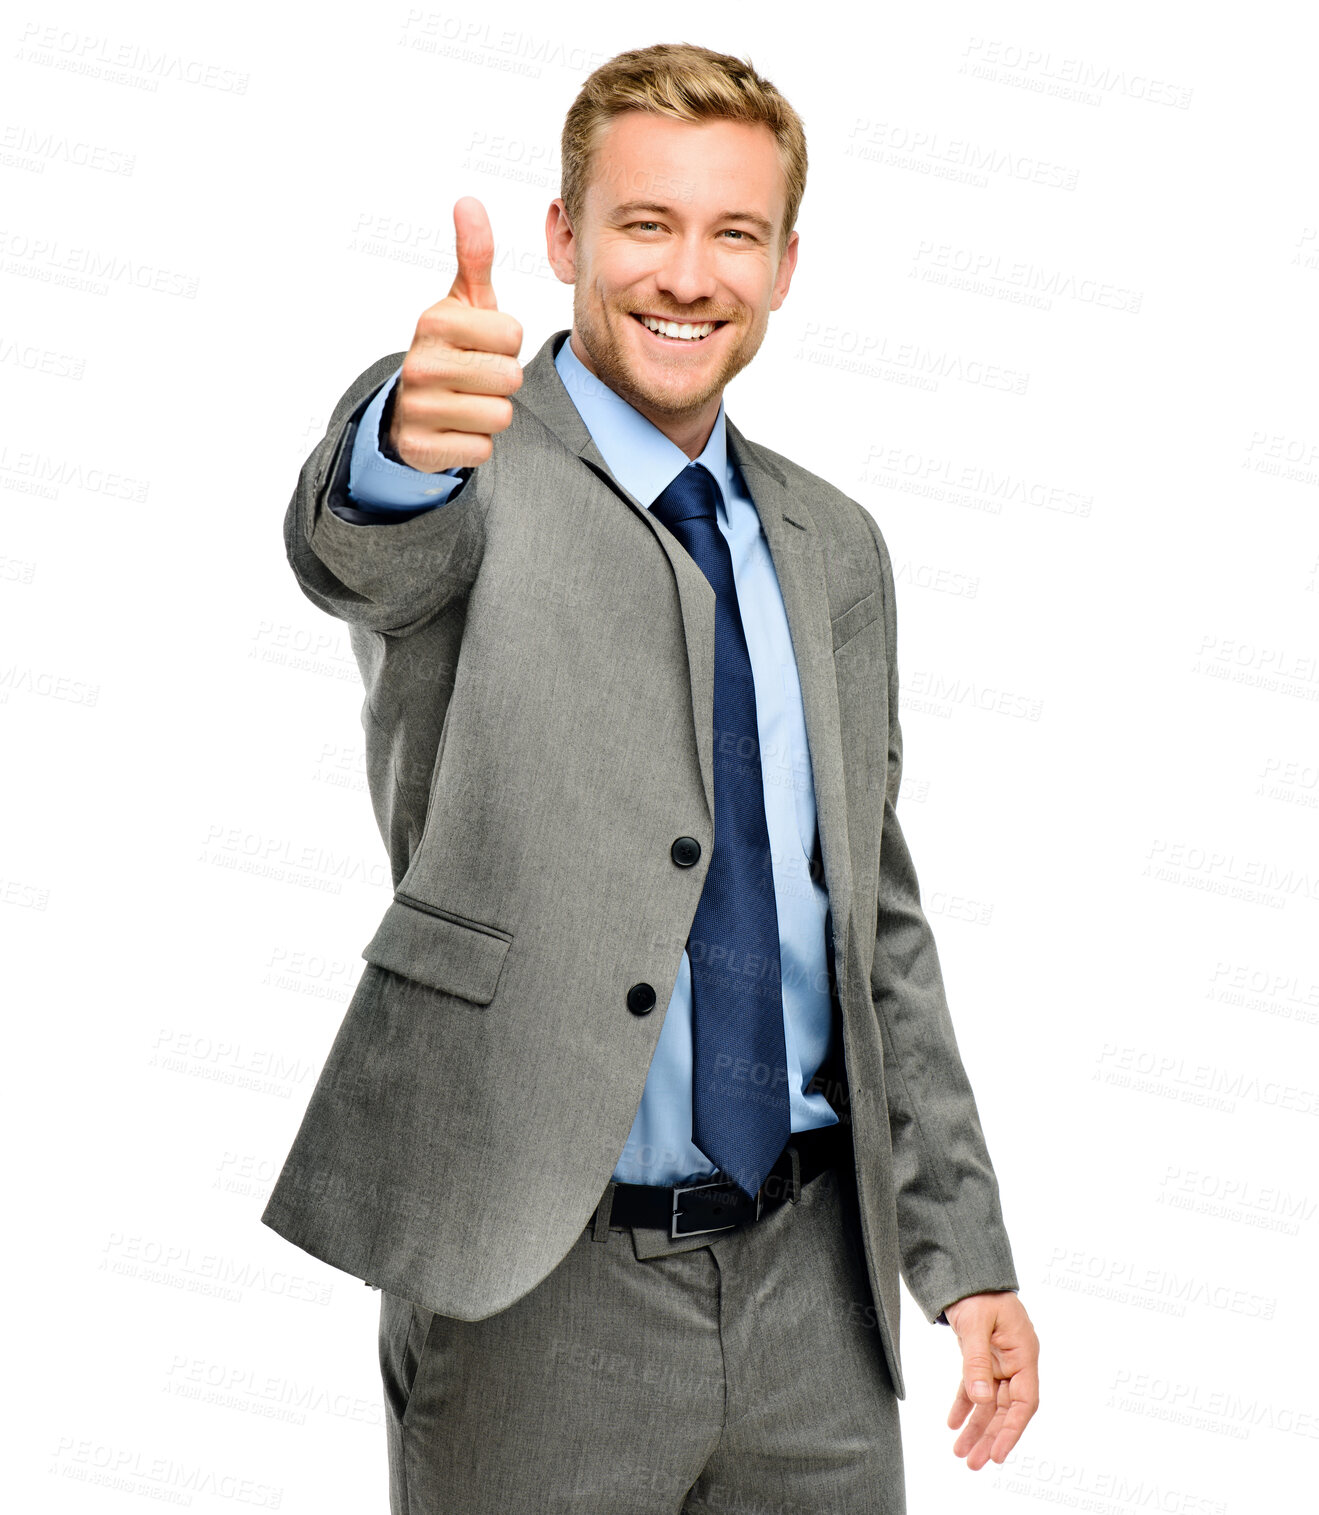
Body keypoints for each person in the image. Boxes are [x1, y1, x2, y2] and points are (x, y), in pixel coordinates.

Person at [262, 40, 1040, 1514]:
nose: (688, 274)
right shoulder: (470, 468)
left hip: (820, 1285)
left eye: (732, 233)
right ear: (564, 239)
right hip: (543, 1283)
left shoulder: (835, 547)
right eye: (644, 224)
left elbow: (874, 924)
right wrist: (396, 440)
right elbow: (358, 551)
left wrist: (966, 1251)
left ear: (786, 266)